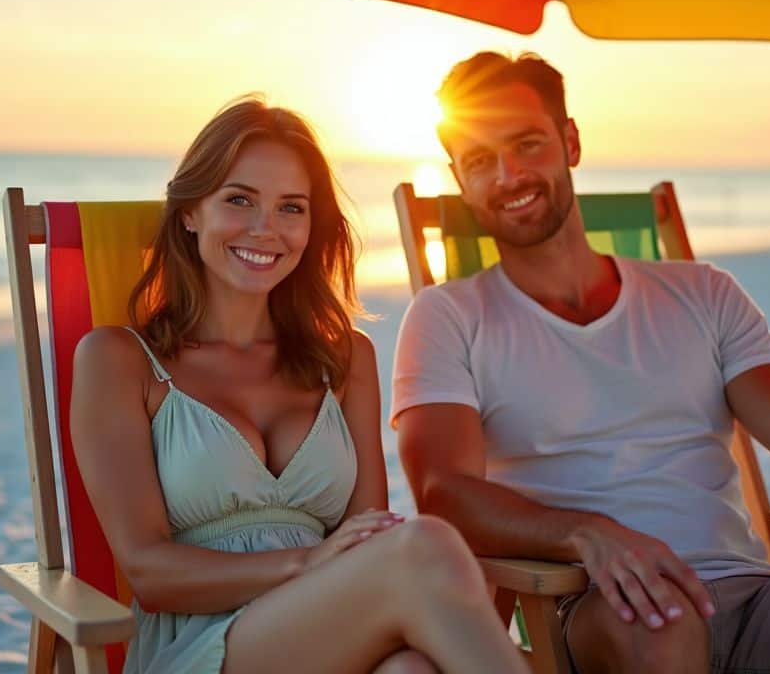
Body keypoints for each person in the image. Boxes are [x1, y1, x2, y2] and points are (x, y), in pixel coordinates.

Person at [393, 53, 770, 673]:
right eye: (479, 161)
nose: (508, 175)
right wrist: (587, 533)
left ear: (570, 141)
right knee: (663, 621)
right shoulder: (450, 317)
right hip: (607, 608)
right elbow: (444, 492)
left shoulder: (702, 293)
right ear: (458, 176)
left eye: (528, 144)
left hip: (758, 603)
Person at [71, 97, 529, 674]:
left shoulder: (344, 361)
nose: (267, 229)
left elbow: (366, 538)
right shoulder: (119, 359)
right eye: (240, 199)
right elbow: (149, 573)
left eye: (292, 208)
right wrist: (309, 563)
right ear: (190, 212)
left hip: (335, 634)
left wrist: (328, 570)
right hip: (202, 645)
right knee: (425, 545)